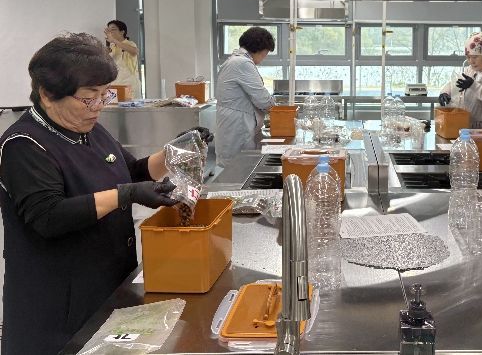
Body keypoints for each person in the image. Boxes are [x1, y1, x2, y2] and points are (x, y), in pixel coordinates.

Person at [0, 33, 213, 354]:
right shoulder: (24, 145)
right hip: (59, 302)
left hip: (108, 279)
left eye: (104, 94)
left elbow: (133, 172)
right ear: (47, 94)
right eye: (89, 97)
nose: (99, 106)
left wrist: (176, 151)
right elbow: (48, 217)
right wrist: (125, 195)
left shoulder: (88, 128)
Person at [215, 26, 276, 166]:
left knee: (236, 168)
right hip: (237, 127)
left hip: (234, 124)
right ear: (259, 49)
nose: (264, 58)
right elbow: (263, 99)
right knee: (238, 170)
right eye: (265, 53)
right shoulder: (242, 63)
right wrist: (277, 110)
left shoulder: (235, 61)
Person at [105, 19, 142, 99]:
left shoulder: (130, 43)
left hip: (129, 84)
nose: (110, 32)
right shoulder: (111, 47)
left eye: (113, 29)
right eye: (109, 30)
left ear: (122, 32)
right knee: (112, 106)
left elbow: (135, 51)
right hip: (114, 84)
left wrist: (114, 40)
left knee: (130, 106)